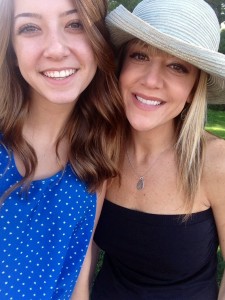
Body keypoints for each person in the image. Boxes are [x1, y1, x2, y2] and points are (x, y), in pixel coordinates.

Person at [91, 0, 225, 299]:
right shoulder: (100, 149)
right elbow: (84, 251)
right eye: (140, 55)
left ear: (194, 89)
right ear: (121, 65)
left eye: (177, 66)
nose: (151, 81)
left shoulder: (216, 162)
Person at [0, 0, 125, 299]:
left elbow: (78, 272)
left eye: (75, 24)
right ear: (12, 51)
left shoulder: (99, 150)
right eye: (29, 27)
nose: (56, 48)